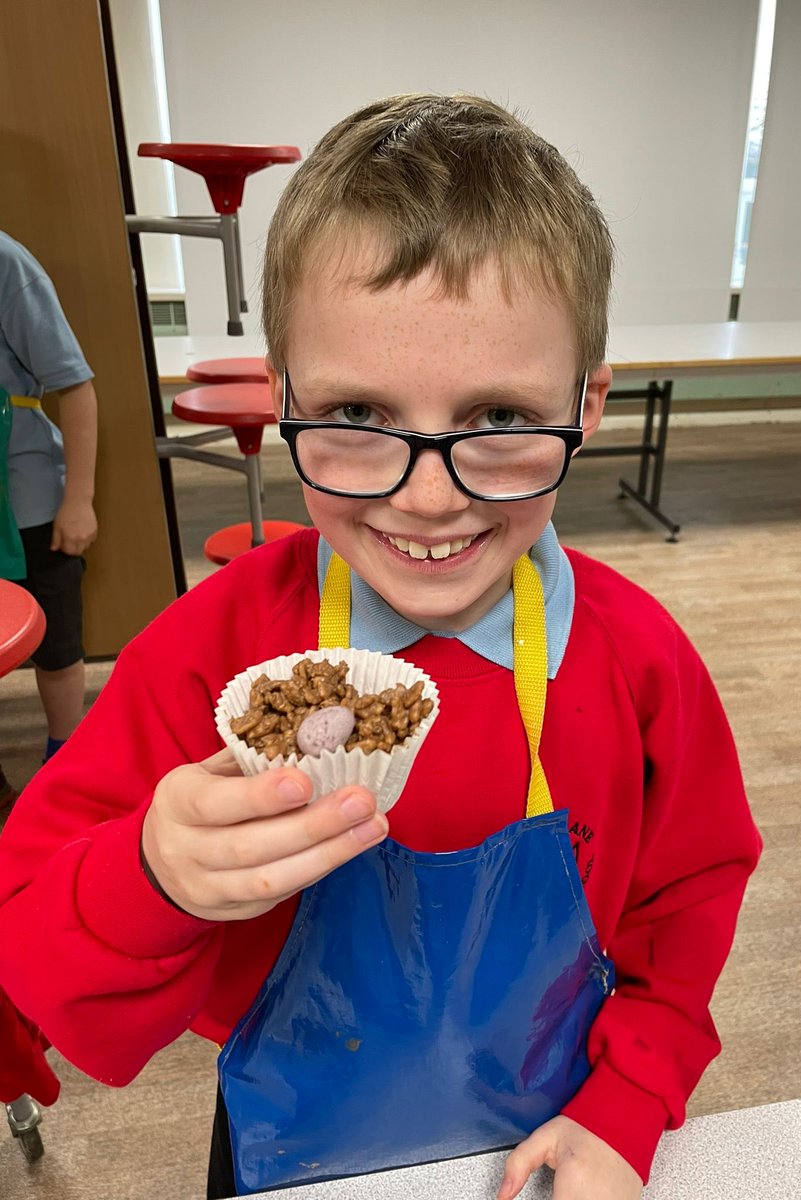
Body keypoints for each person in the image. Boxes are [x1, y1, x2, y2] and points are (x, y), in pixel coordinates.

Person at [0, 95, 761, 1199]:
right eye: (357, 412)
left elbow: (693, 894)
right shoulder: (212, 652)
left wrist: (633, 1099)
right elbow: (36, 959)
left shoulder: (638, 660)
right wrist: (155, 874)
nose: (428, 494)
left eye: (500, 420)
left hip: (560, 1125)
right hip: (292, 1144)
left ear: (587, 406)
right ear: (287, 399)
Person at [0, 231, 99, 811]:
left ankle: (64, 760)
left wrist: (77, 499)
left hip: (28, 501)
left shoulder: (9, 264)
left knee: (56, 639)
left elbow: (76, 387)